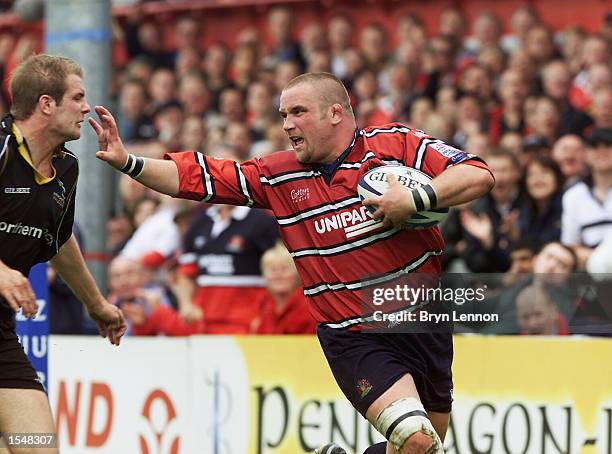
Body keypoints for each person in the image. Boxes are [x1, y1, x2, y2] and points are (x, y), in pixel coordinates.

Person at [90, 72, 494, 454]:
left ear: (336, 112)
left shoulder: (396, 145)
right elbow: (198, 176)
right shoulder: (278, 175)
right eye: (283, 115)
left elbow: (477, 174)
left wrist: (414, 199)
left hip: (424, 322)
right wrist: (128, 161)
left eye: (297, 112)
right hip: (353, 333)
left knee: (424, 448)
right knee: (415, 437)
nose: (286, 124)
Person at [0, 54, 126, 453]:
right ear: (46, 104)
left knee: (36, 446)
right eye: (78, 97)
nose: (86, 107)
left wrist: (96, 302)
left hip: (1, 335)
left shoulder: (66, 170)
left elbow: (60, 240)